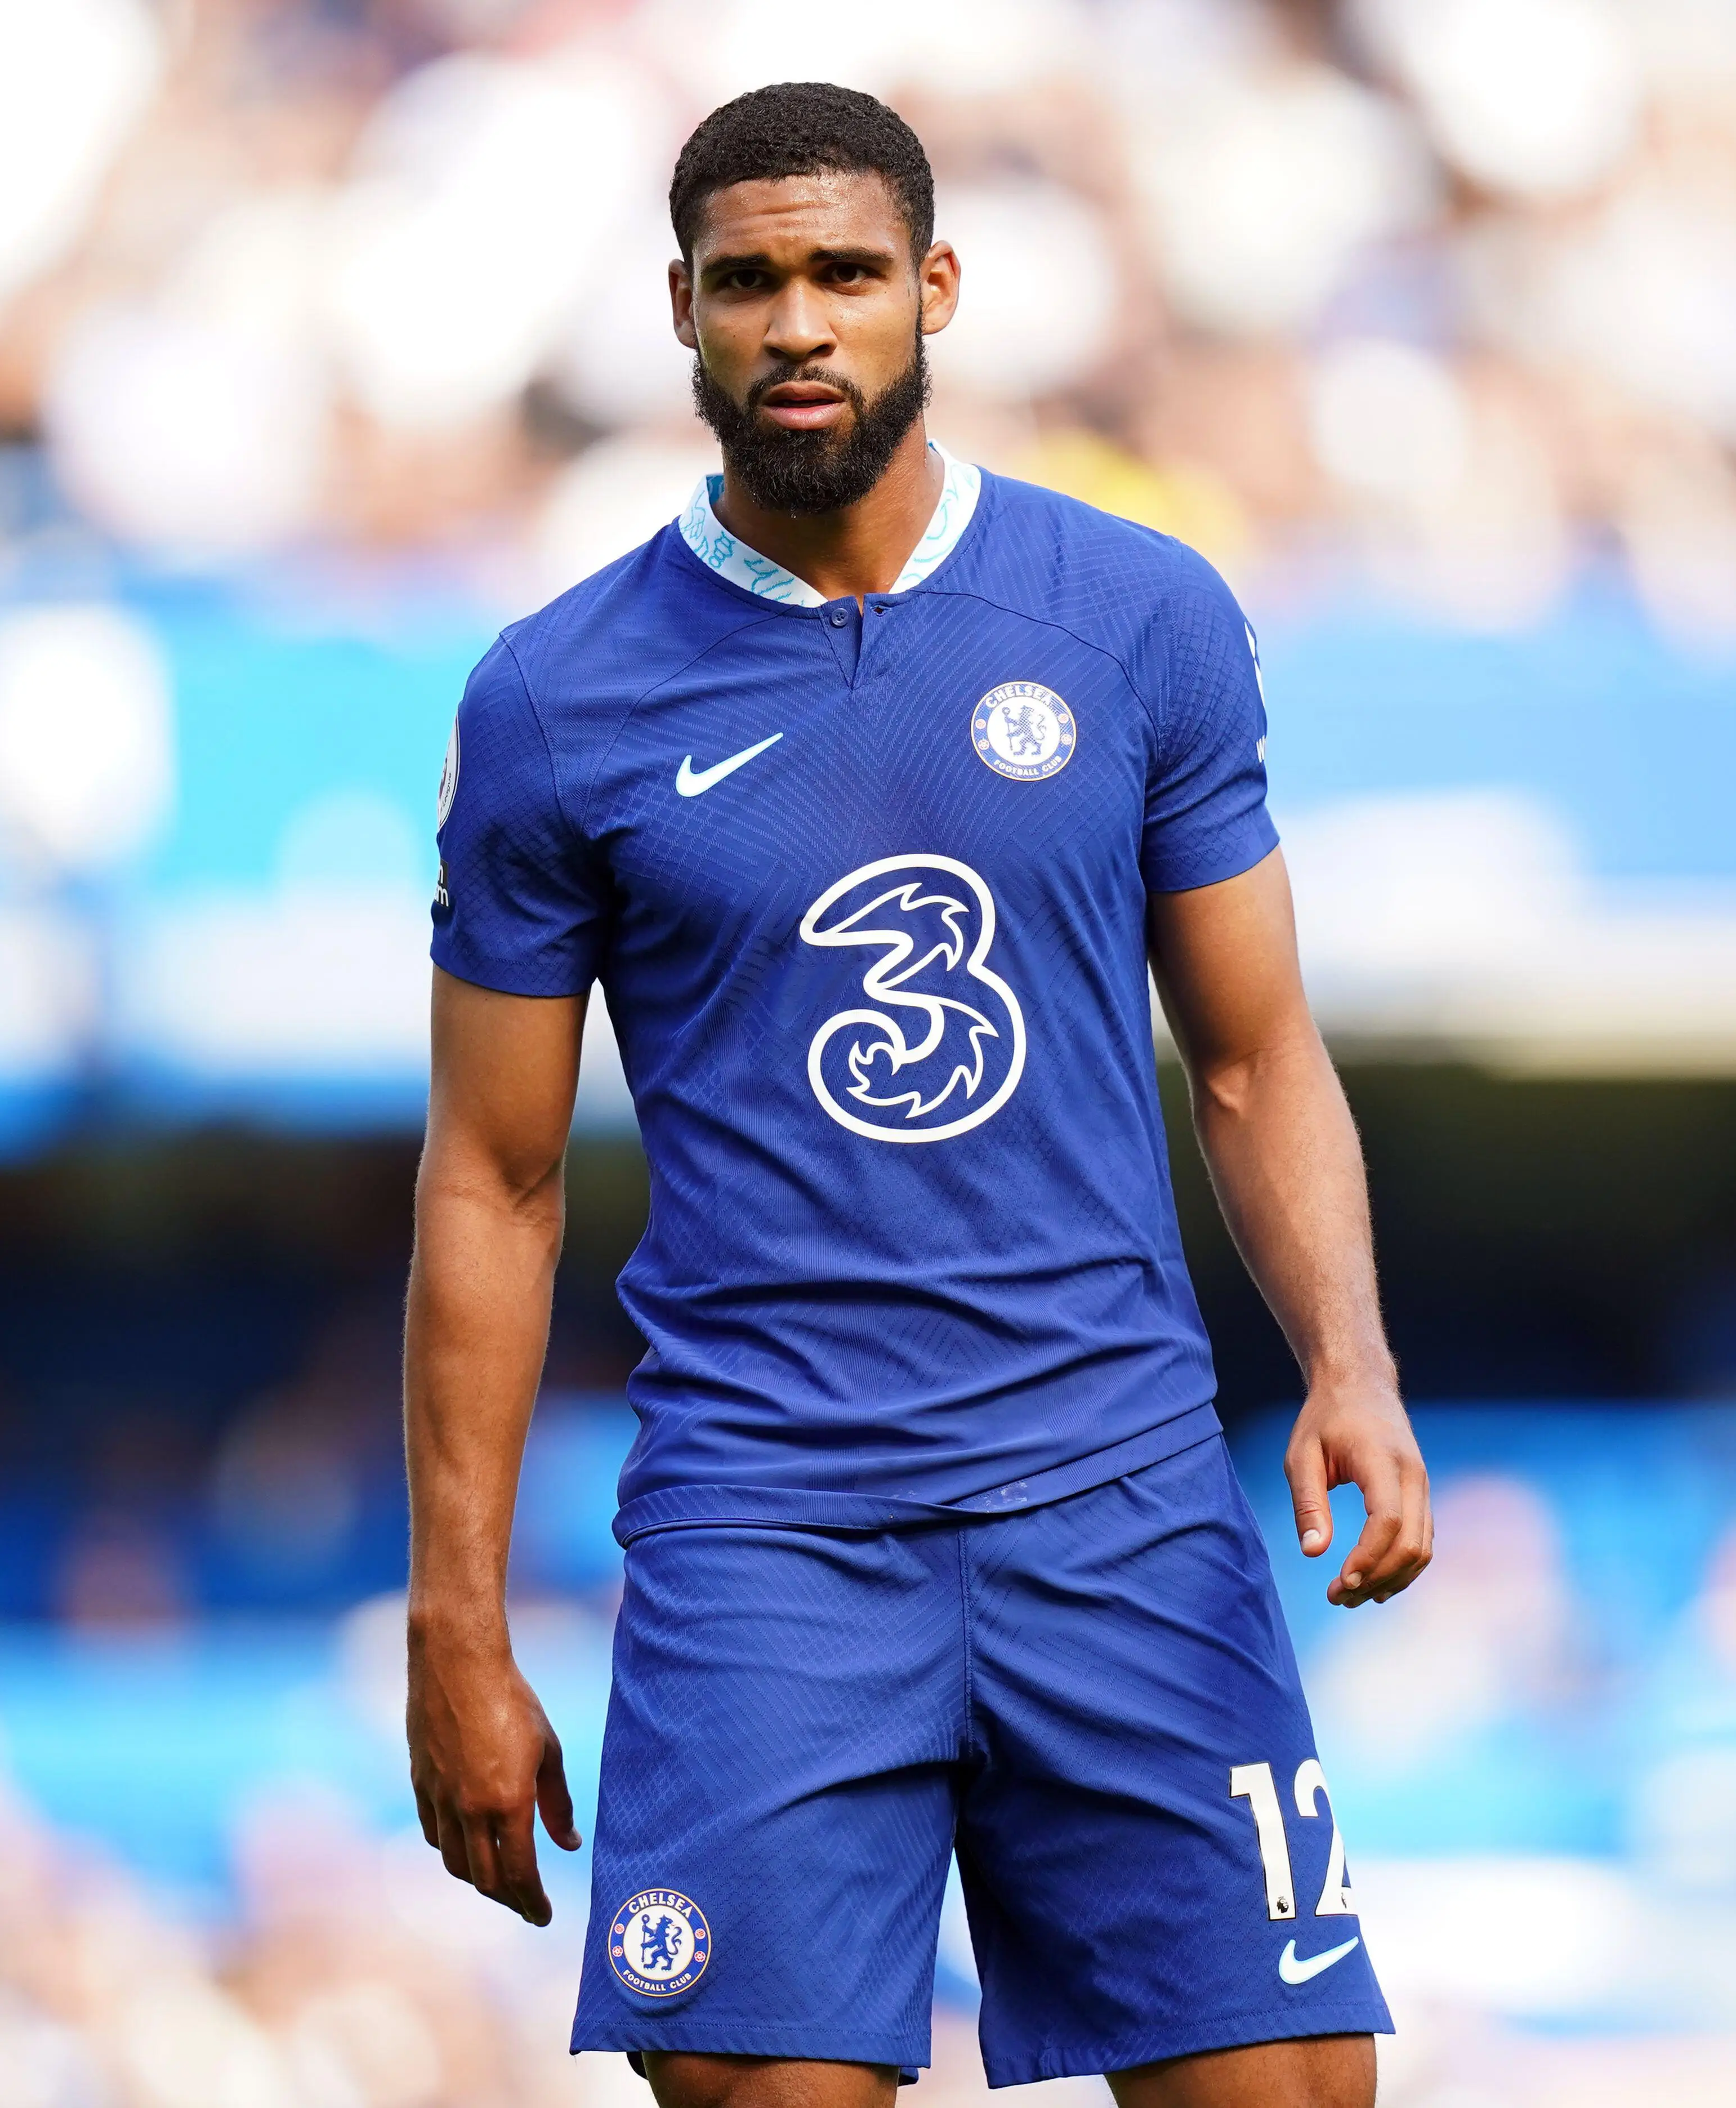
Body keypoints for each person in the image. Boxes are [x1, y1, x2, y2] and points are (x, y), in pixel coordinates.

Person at [404, 79, 1431, 2108]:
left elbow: (1248, 1050)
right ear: (679, 312)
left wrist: (1351, 1361)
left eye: (846, 274)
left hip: (1119, 1499)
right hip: (768, 1529)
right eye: (751, 281)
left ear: (933, 289)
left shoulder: (1138, 615)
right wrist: (455, 1623)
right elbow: (491, 1182)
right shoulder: (553, 695)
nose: (800, 323)